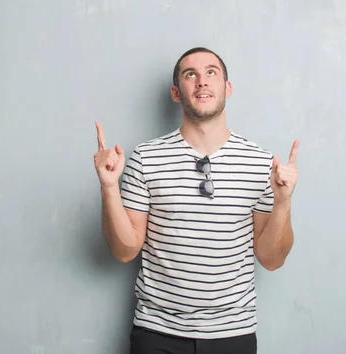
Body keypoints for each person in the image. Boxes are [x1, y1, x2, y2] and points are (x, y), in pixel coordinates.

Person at [93, 47, 299, 354]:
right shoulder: (145, 158)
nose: (202, 81)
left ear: (227, 88)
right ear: (177, 93)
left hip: (233, 334)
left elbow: (272, 260)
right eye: (191, 74)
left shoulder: (261, 164)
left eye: (211, 72)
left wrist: (283, 203)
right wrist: (109, 188)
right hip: (157, 332)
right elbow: (125, 250)